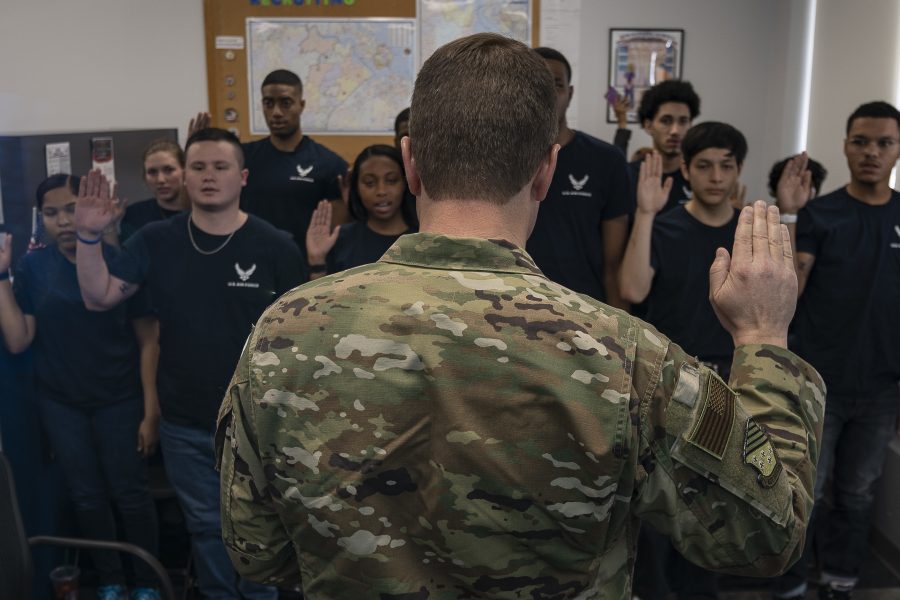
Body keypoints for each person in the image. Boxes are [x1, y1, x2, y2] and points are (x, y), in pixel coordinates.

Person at [215, 33, 824, 599]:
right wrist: (765, 338)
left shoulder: (283, 333)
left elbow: (255, 551)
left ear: (410, 164)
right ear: (545, 172)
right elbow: (767, 535)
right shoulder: (625, 355)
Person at [74, 128, 304, 600]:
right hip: (186, 423)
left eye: (220, 167)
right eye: (198, 167)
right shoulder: (156, 240)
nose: (208, 176)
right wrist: (88, 237)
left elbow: (297, 343)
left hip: (256, 425)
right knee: (204, 530)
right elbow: (98, 297)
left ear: (241, 177)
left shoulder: (276, 246)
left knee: (262, 533)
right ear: (185, 177)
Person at [0, 175, 161, 600]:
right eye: (51, 213)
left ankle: (146, 582)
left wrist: (150, 410)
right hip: (61, 404)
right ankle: (110, 581)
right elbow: (18, 339)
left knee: (130, 495)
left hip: (120, 399)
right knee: (86, 497)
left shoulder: (121, 261)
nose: (64, 221)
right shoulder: (34, 267)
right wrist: (0, 276)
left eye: (71, 208)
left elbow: (149, 341)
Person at [772, 101, 900, 600]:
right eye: (861, 141)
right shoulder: (821, 215)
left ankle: (842, 579)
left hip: (882, 388)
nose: (871, 152)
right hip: (818, 384)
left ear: (897, 150)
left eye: (884, 143)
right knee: (808, 491)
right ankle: (791, 583)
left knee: (857, 492)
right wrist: (788, 213)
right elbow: (789, 291)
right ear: (845, 145)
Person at [620, 122, 747, 600]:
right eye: (705, 166)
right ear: (688, 171)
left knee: (713, 506)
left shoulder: (747, 230)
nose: (716, 176)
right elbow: (633, 290)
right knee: (658, 503)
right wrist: (646, 213)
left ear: (738, 171)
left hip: (727, 385)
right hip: (668, 381)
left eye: (726, 166)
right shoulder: (666, 225)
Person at [525, 46, 633, 308]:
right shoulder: (500, 156)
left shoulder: (606, 160)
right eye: (536, 85)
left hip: (588, 314)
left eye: (556, 85)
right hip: (515, 309)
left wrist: (621, 339)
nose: (547, 94)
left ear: (569, 93)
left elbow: (614, 265)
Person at [238, 69, 348, 252]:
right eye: (268, 103)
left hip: (304, 268)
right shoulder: (242, 157)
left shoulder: (329, 164)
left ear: (301, 105)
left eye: (286, 103)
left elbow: (336, 233)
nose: (276, 112)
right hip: (252, 264)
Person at [305, 144, 417, 279]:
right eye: (369, 183)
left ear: (406, 182)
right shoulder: (340, 239)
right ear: (356, 187)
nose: (381, 191)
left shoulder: (421, 237)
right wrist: (317, 261)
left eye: (391, 181)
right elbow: (321, 298)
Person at [629, 80, 701, 213]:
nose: (675, 131)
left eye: (683, 121)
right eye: (666, 121)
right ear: (648, 125)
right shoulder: (628, 176)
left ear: (690, 125)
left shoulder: (699, 178)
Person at [120, 139, 188, 242]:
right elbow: (121, 257)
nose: (160, 180)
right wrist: (109, 227)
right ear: (144, 177)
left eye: (169, 170)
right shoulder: (135, 214)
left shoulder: (201, 211)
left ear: (184, 172)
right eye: (152, 172)